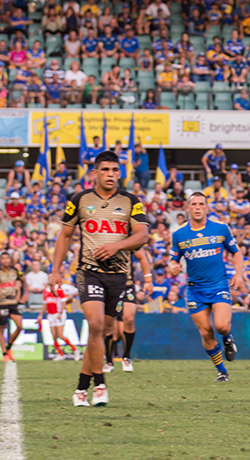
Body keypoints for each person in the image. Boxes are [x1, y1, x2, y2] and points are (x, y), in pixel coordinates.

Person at [51, 151, 150, 407]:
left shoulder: (131, 201)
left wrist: (117, 246)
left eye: (114, 170)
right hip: (89, 271)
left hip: (118, 277)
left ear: (120, 173)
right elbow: (64, 236)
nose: (110, 174)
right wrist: (55, 270)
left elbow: (142, 236)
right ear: (94, 173)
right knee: (95, 325)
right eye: (105, 170)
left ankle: (81, 388)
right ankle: (100, 384)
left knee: (102, 332)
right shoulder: (80, 200)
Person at [170, 192, 245, 382]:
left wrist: (239, 274)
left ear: (206, 207)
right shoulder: (179, 234)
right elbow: (173, 260)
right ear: (188, 207)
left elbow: (236, 253)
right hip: (195, 290)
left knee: (221, 326)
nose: (197, 207)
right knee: (205, 332)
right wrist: (173, 267)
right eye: (193, 204)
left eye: (201, 204)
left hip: (218, 284)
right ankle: (222, 371)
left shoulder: (220, 229)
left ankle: (227, 338)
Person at [103, 248, 152, 373]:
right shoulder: (100, 236)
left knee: (129, 318)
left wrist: (148, 280)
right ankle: (109, 361)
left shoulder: (128, 237)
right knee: (108, 324)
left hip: (126, 283)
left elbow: (141, 256)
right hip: (107, 283)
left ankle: (126, 357)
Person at [37, 282, 80, 361]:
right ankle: (60, 354)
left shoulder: (59, 289)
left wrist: (60, 312)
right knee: (54, 336)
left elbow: (63, 302)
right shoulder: (46, 291)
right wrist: (40, 315)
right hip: (51, 314)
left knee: (60, 335)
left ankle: (74, 349)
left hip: (59, 314)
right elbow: (45, 304)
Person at [0, 252, 22, 362]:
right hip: (2, 302)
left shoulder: (15, 271)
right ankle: (4, 353)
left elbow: (22, 281)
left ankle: (9, 347)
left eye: (7, 258)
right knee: (1, 329)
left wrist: (24, 293)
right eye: (3, 259)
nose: (6, 260)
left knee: (19, 325)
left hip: (13, 301)